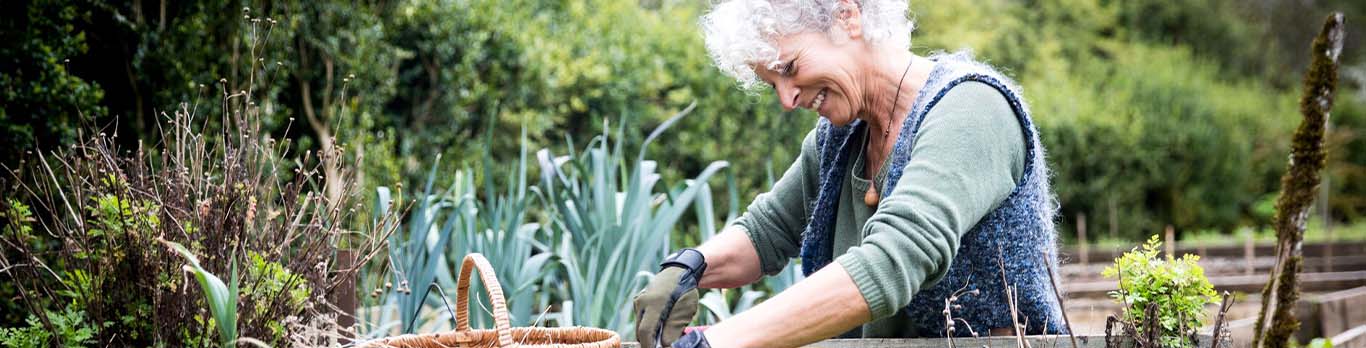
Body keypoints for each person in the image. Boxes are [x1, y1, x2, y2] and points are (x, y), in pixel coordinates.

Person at [632, 0, 1066, 347]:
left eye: (789, 69)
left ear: (847, 16)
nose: (786, 99)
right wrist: (689, 267)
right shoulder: (842, 137)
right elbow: (769, 230)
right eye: (773, 84)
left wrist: (719, 341)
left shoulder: (972, 108)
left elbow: (892, 261)